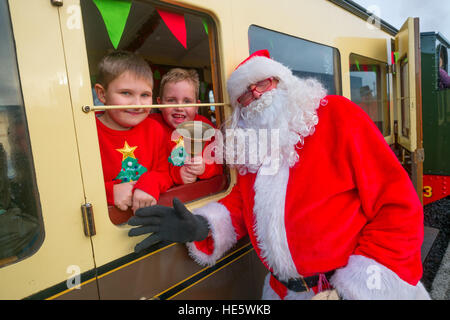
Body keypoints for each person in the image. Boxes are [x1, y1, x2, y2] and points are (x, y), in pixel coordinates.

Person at [128, 50, 430, 300]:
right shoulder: (250, 144)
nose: (255, 94)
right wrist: (201, 226)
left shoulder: (338, 116)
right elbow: (244, 204)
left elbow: (397, 206)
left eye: (264, 83)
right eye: (244, 95)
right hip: (282, 292)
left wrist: (352, 290)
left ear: (283, 81)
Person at [94, 51, 172, 225]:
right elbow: (73, 187)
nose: (137, 104)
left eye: (145, 95)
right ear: (102, 94)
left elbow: (165, 173)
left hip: (148, 222)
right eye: (126, 93)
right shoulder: (87, 132)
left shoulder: (154, 129)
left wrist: (149, 184)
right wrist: (109, 191)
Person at [149, 68, 222, 185]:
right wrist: (178, 175)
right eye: (171, 100)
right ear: (160, 103)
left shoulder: (205, 127)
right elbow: (146, 168)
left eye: (187, 101)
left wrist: (204, 168)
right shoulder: (151, 126)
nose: (179, 107)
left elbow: (221, 166)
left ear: (197, 106)